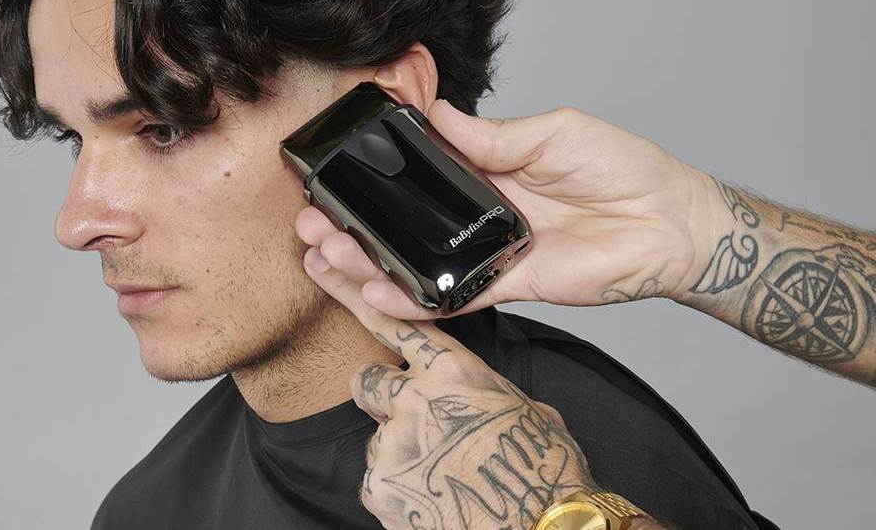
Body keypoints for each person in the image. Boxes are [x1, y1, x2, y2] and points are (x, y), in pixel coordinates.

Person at [0, 0, 780, 529]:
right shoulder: (145, 511)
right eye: (74, 139)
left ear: (381, 111)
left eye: (163, 129)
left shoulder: (595, 452)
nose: (78, 222)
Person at [298, 89, 874, 529]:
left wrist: (553, 513)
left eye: (251, 98)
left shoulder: (612, 428)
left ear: (399, 83)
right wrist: (687, 230)